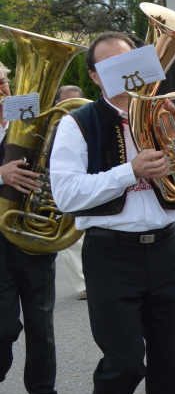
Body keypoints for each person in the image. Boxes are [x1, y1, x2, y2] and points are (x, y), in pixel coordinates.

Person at [49, 31, 175, 394]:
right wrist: (129, 171)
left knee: (171, 367)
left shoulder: (165, 116)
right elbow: (66, 194)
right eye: (112, 67)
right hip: (111, 253)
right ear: (95, 77)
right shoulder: (78, 123)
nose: (128, 75)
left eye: (133, 62)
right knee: (125, 362)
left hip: (166, 248)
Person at [0, 65, 62, 394]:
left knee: (41, 326)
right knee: (4, 326)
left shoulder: (31, 116)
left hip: (34, 234)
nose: (2, 90)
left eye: (4, 82)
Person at [54, 85, 88, 300]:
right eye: (64, 105)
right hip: (60, 184)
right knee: (71, 235)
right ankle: (83, 284)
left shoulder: (89, 121)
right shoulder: (51, 125)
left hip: (87, 182)